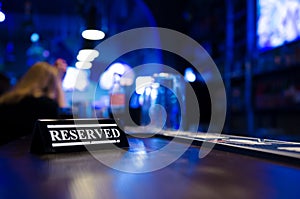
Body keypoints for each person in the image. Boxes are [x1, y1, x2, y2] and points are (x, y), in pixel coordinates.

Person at [0, 61, 66, 145]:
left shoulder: (6, 100)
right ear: (50, 84)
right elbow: (63, 129)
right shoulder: (47, 106)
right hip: (28, 155)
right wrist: (59, 83)